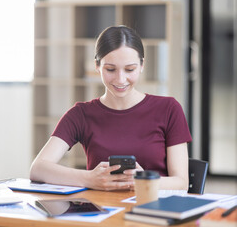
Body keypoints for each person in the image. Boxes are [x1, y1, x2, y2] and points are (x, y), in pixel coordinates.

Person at [30, 25, 192, 191]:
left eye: (130, 69)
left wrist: (144, 181)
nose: (120, 79)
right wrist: (89, 179)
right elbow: (38, 169)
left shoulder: (169, 109)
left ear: (142, 65)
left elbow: (181, 183)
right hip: (100, 210)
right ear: (97, 66)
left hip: (153, 210)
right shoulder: (81, 114)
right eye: (110, 69)